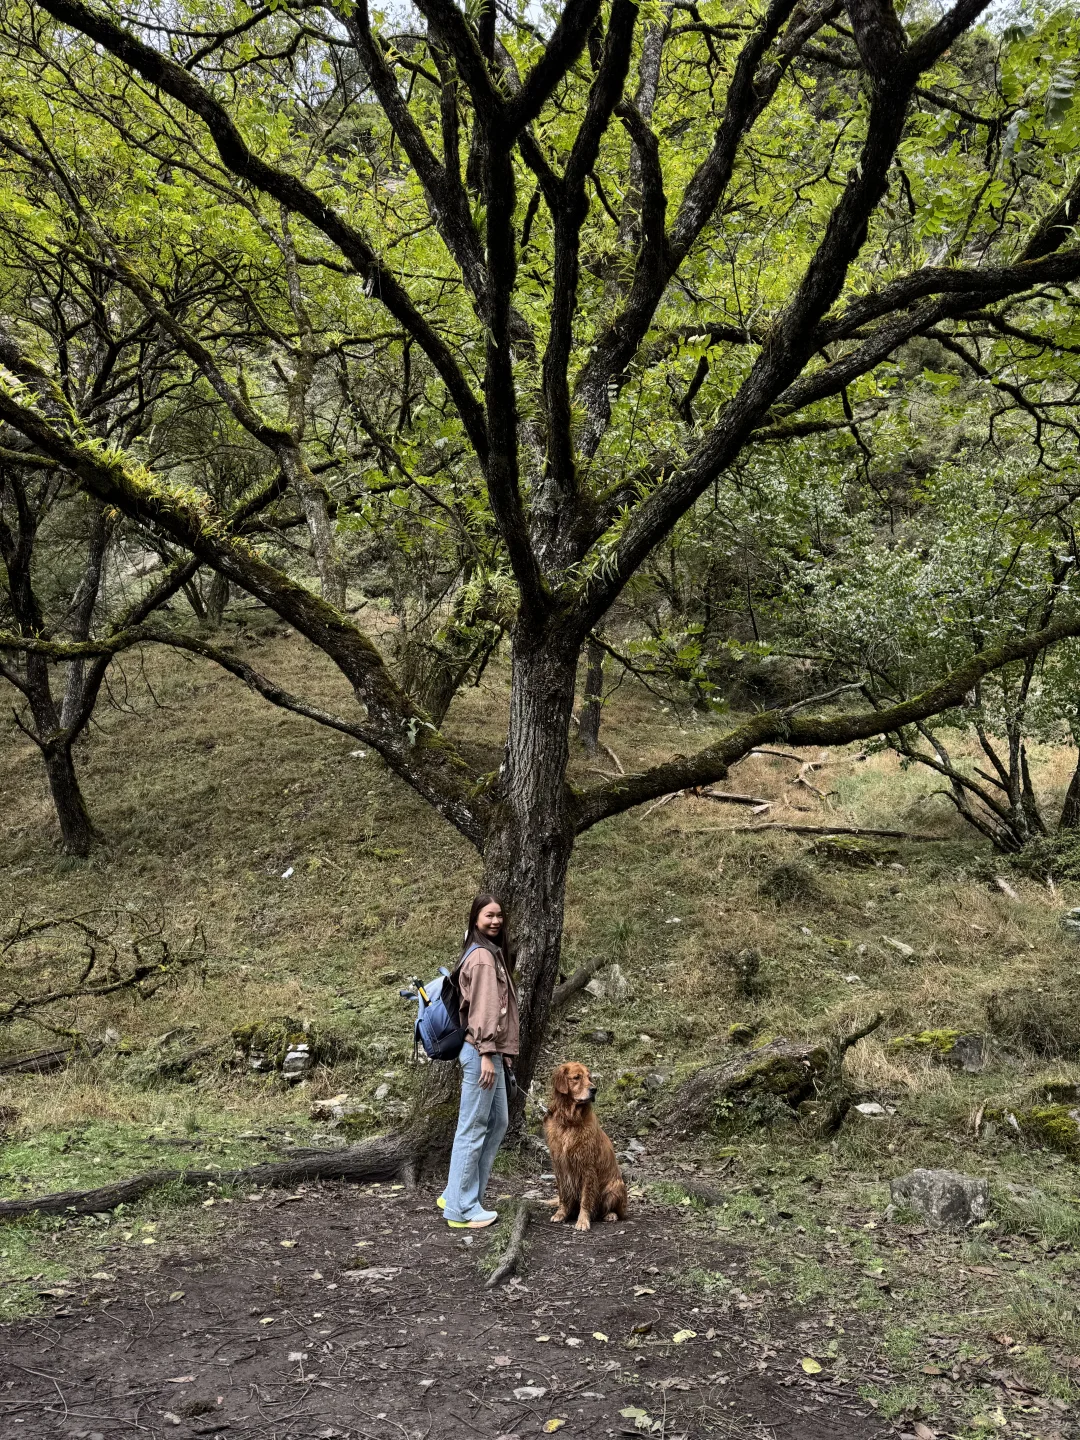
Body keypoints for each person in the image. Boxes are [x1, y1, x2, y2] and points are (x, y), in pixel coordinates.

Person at [438, 893, 519, 1229]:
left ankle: (457, 1192)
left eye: (499, 915)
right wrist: (487, 1053)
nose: (496, 921)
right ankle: (460, 1209)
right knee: (473, 1128)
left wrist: (503, 1054)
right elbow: (484, 1011)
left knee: (497, 1122)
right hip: (480, 1053)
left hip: (493, 1053)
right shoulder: (484, 957)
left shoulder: (488, 952)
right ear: (475, 919)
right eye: (489, 915)